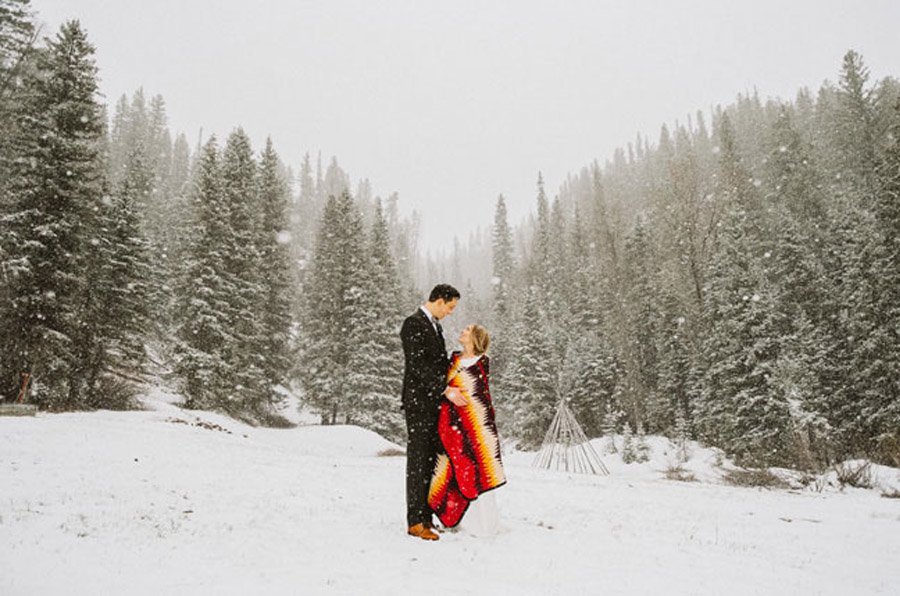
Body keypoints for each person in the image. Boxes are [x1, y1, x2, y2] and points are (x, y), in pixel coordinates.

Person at [428, 324, 506, 535]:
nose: (463, 330)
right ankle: (457, 520)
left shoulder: (479, 365)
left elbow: (478, 401)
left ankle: (482, 525)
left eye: (468, 329)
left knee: (477, 470)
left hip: (476, 429)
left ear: (475, 338)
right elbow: (443, 387)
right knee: (454, 469)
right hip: (451, 429)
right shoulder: (452, 361)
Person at [400, 283, 463, 541]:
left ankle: (426, 516)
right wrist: (444, 390)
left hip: (432, 405)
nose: (450, 312)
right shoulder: (413, 324)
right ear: (438, 300)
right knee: (417, 461)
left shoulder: (436, 326)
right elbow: (417, 366)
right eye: (450, 307)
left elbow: (438, 364)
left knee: (429, 461)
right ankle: (415, 520)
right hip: (418, 404)